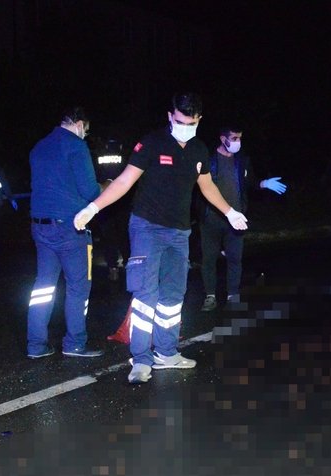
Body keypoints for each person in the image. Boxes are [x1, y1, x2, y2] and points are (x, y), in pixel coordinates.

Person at [73, 93, 249, 384]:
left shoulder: (199, 150)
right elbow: (125, 181)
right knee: (145, 296)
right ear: (170, 117)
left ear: (199, 121)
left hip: (180, 232)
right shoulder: (152, 143)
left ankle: (166, 353)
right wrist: (93, 207)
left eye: (191, 123)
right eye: (180, 121)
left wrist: (230, 212)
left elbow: (206, 187)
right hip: (147, 228)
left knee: (172, 296)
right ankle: (141, 359)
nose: (185, 126)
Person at [26, 107, 103, 359]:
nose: (85, 135)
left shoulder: (39, 146)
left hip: (40, 226)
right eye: (86, 130)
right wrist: (108, 186)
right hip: (71, 228)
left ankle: (36, 345)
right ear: (79, 124)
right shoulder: (76, 146)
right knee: (78, 287)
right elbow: (91, 191)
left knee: (43, 287)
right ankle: (75, 344)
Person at [199, 126, 287, 311]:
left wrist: (264, 183)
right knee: (209, 259)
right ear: (223, 138)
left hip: (237, 218)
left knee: (235, 258)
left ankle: (232, 294)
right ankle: (210, 296)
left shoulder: (242, 161)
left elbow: (251, 183)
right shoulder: (208, 159)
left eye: (240, 138)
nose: (238, 142)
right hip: (211, 219)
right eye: (234, 138)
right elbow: (199, 188)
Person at [92, 138, 131, 283]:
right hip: (123, 203)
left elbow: (95, 178)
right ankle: (128, 265)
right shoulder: (125, 157)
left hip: (105, 202)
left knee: (108, 238)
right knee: (125, 236)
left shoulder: (99, 157)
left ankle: (112, 269)